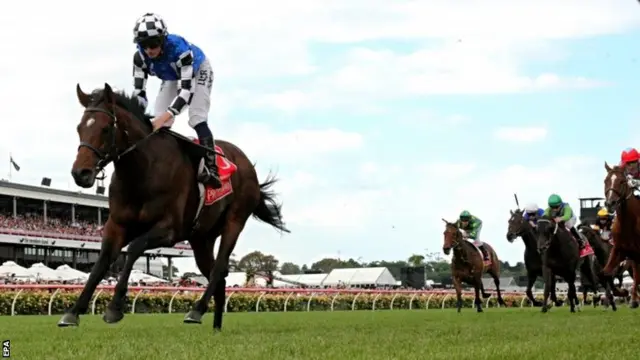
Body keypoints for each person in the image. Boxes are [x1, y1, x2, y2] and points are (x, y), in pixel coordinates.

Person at [131, 13, 221, 188]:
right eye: (144, 45)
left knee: (196, 117)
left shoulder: (180, 50)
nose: (149, 50)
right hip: (172, 75)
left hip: (197, 70)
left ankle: (212, 167)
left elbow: (186, 91)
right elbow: (139, 93)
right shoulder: (139, 58)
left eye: (154, 44)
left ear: (163, 40)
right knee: (158, 119)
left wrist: (166, 116)